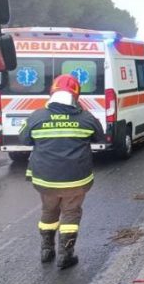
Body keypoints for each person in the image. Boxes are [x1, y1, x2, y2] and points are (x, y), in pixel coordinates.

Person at [19, 74, 105, 269]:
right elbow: (100, 137)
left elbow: (24, 140)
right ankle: (66, 255)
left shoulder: (36, 116)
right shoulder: (86, 118)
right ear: (76, 95)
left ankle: (46, 250)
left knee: (48, 210)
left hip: (45, 179)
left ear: (52, 92)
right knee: (71, 213)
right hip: (76, 179)